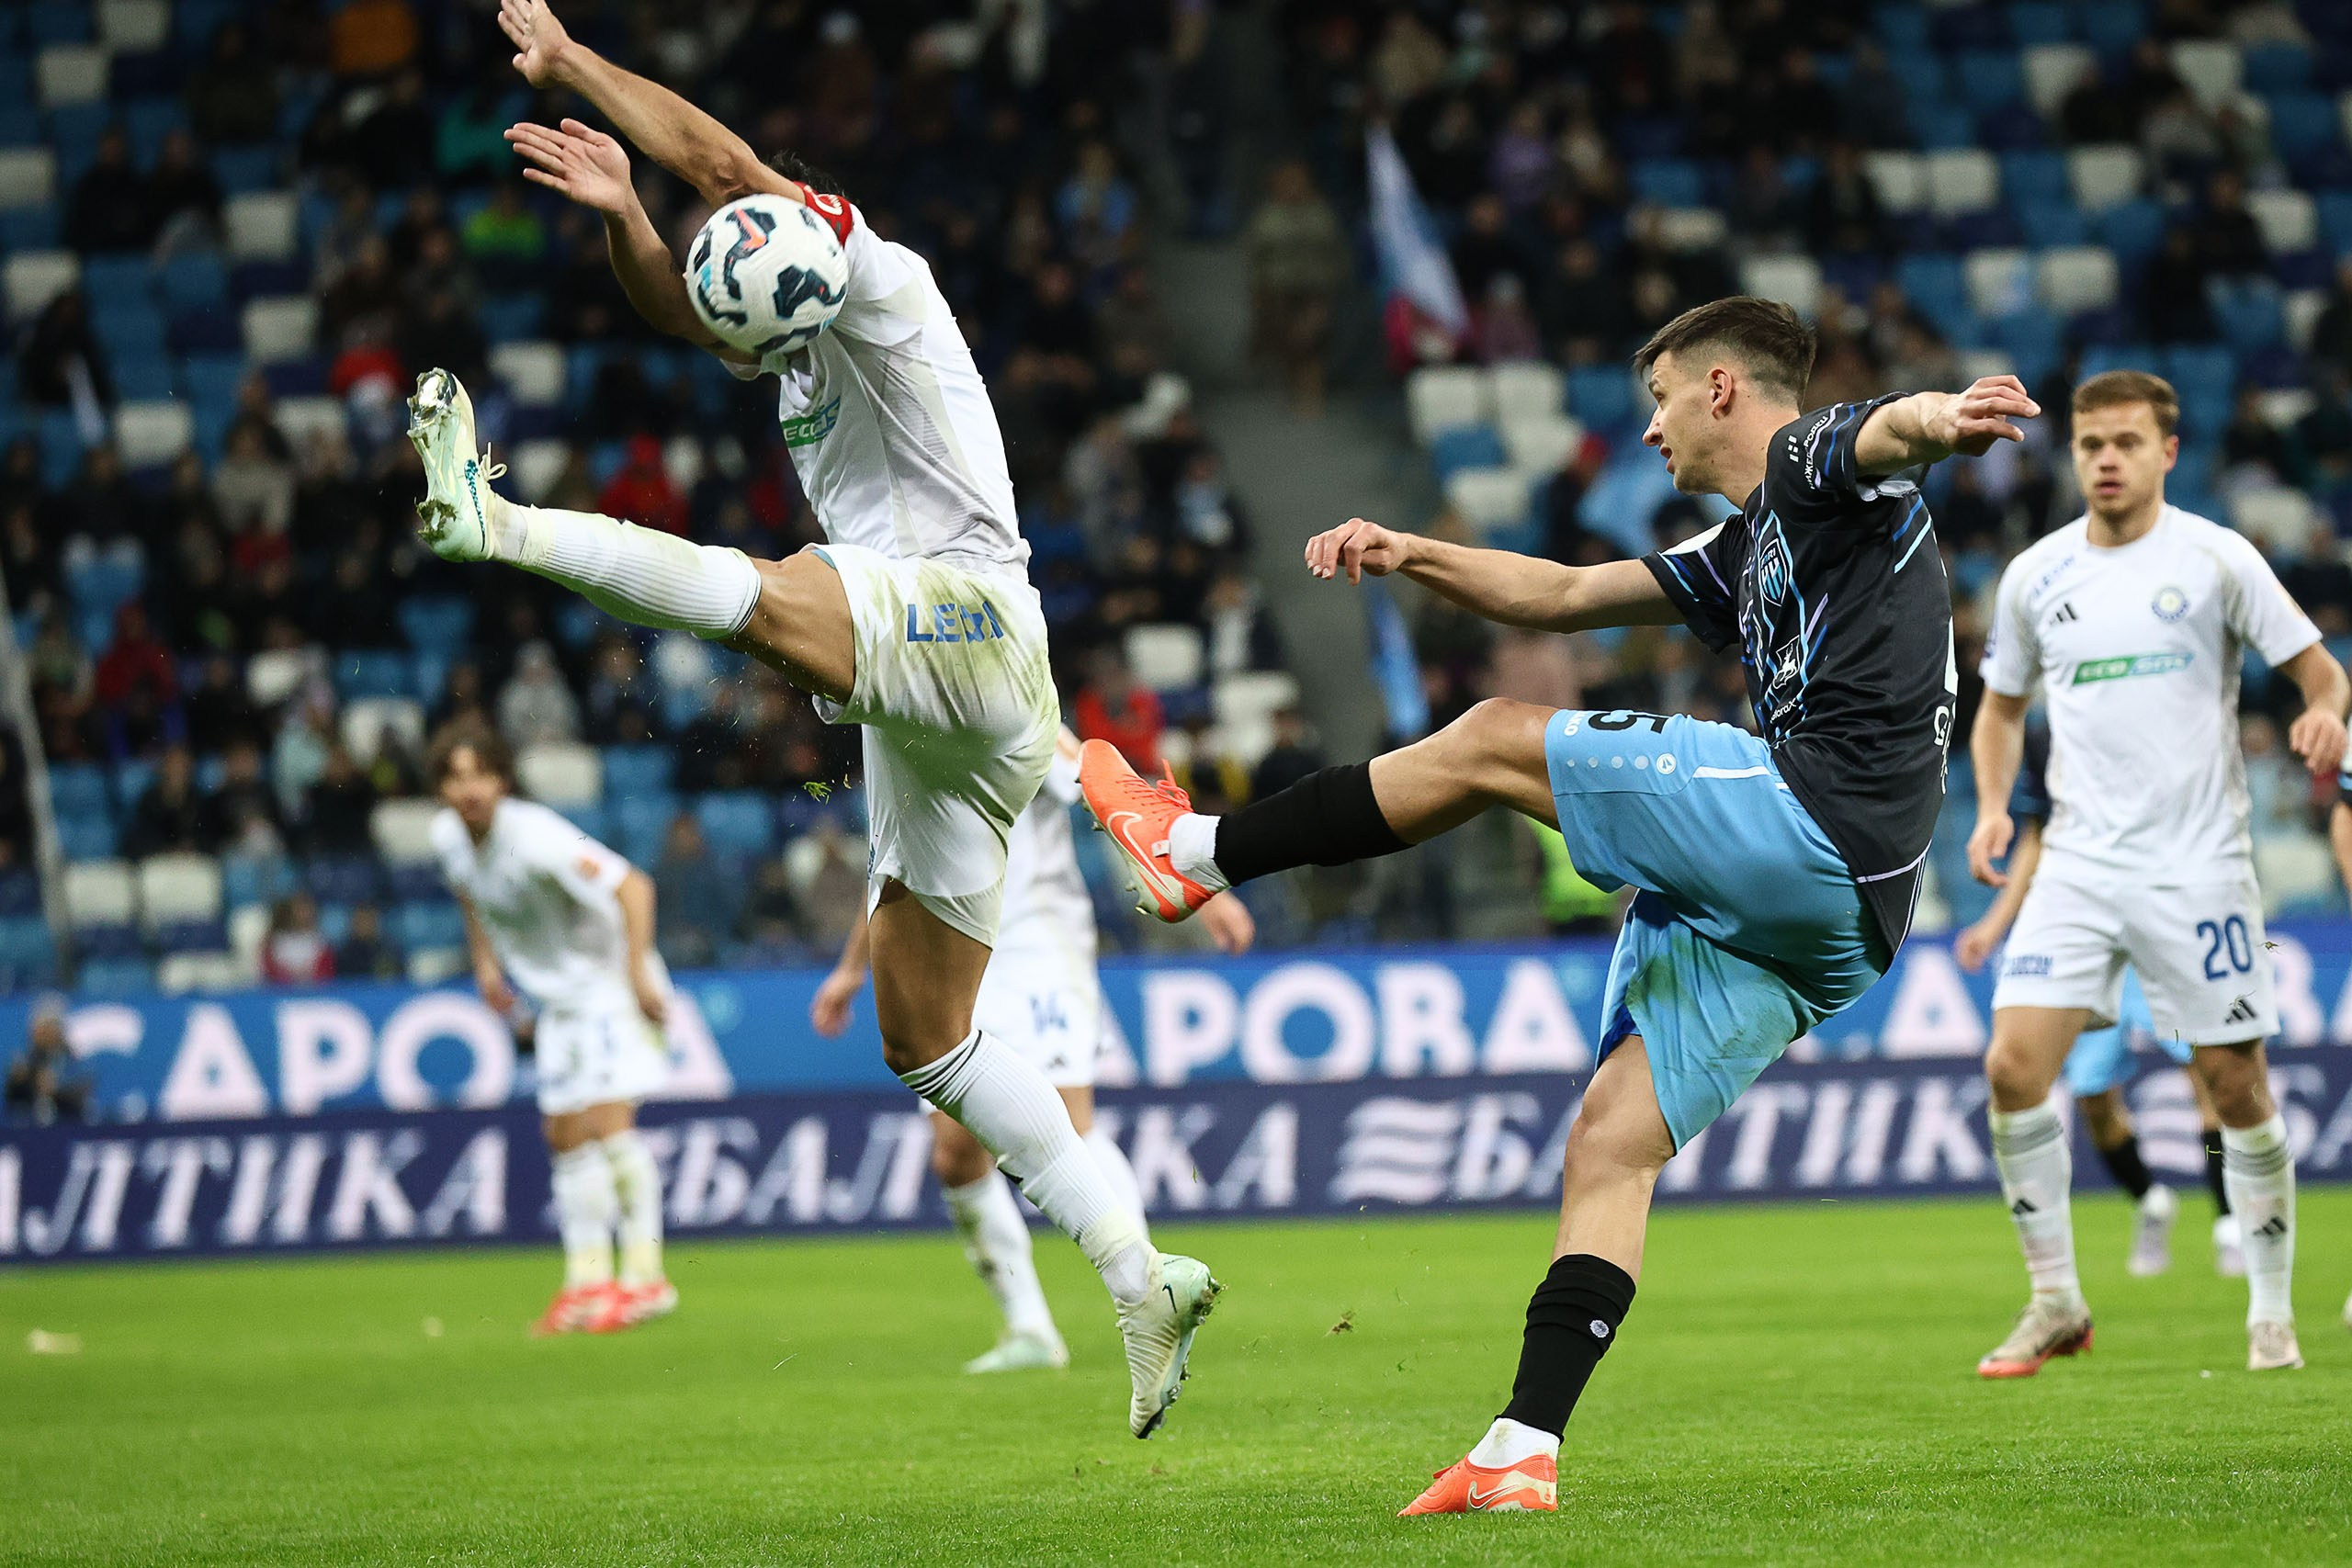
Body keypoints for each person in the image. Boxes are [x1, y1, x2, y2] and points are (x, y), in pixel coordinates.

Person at [405, 0, 1219, 1439]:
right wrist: (624, 216)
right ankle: (1138, 1266)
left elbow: (723, 163)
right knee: (925, 1036)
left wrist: (581, 64)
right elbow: (678, 297)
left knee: (763, 600)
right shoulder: (788, 337)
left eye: (741, 227)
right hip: (940, 707)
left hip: (967, 614)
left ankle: (497, 522)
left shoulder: (872, 268)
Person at [1081, 296, 2031, 1513]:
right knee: (1612, 1138)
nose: (1650, 432)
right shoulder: (1751, 547)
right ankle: (1522, 1443)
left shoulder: (1807, 463)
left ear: (1725, 388)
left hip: (1813, 820)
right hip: (1850, 921)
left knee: (1489, 737)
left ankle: (1198, 848)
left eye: (1661, 398)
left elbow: (1881, 435)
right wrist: (1415, 551)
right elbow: (1562, 597)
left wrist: (1942, 418)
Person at [1968, 370, 2346, 1379]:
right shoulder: (2035, 576)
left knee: (2233, 1085)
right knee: (2011, 1068)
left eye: (2126, 442)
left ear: (2166, 452)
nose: (2104, 459)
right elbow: (1999, 710)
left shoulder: (2218, 559)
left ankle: (2270, 1309)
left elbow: (2318, 671)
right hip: (2080, 868)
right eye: (2090, 442)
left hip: (2198, 867)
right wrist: (1998, 805)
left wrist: (2323, 713)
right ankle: (2054, 1299)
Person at [810, 728, 1256, 1373]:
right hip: (951, 949)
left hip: (1040, 951)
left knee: (1071, 1123)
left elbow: (1111, 797)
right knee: (954, 1153)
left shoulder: (1019, 711)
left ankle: (1148, 1285)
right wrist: (853, 968)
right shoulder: (902, 728)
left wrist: (1202, 887)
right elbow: (891, 859)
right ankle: (1030, 1327)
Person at [1953, 716, 2240, 1280]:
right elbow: (2040, 834)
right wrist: (1996, 924)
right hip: (2087, 933)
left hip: (2165, 922)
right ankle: (2151, 1202)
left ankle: (2229, 1220)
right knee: (2094, 1098)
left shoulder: (2153, 707)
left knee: (2209, 1082)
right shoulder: (2043, 733)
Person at [430, 725, 676, 1337]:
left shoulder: (536, 836)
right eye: (456, 777)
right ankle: (587, 1284)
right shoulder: (447, 838)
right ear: (441, 788)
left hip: (610, 987)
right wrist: (486, 965)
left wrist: (640, 973)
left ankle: (647, 1278)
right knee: (564, 1136)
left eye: (479, 774)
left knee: (607, 1126)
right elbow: (469, 895)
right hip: (561, 1003)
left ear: (501, 780)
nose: (469, 789)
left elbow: (633, 885)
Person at [5, 997, 90, 1125]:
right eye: (38, 1028)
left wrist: (55, 1090)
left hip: (68, 1127)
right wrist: (21, 1082)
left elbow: (81, 1096)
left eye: (48, 1028)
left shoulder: (73, 1059)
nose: (41, 1033)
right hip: (29, 1130)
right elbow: (11, 1099)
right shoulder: (26, 1061)